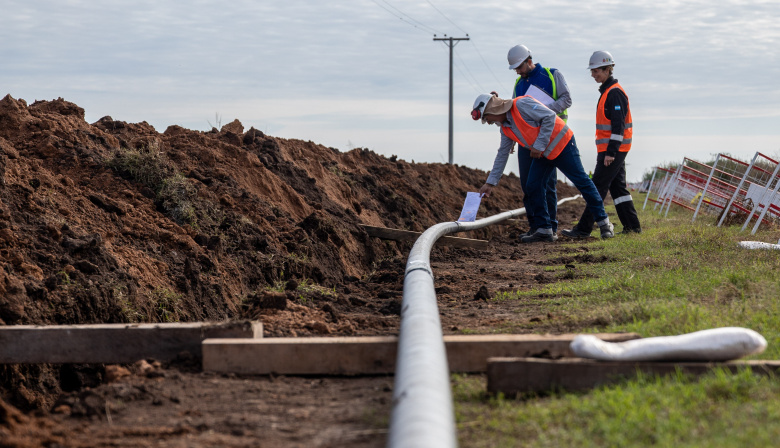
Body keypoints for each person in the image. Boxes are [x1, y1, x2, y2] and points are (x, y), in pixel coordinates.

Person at [472, 92, 614, 243]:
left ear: (493, 110)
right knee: (533, 186)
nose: (488, 123)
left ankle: (605, 224)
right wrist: (490, 182)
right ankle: (544, 229)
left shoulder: (521, 105)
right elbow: (502, 154)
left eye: (487, 118)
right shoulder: (505, 128)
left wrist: (539, 146)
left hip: (563, 145)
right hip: (544, 153)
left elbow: (549, 117)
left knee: (582, 182)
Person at [562, 51, 642, 238]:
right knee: (618, 189)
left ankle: (583, 229)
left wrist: (611, 152)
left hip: (613, 150)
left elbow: (618, 126)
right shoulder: (609, 91)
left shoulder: (614, 93)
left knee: (596, 187)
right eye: (592, 71)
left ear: (607, 69)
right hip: (613, 149)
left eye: (596, 71)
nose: (593, 75)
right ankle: (633, 227)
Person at [506, 45, 573, 239]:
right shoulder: (519, 83)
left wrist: (543, 111)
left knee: (547, 185)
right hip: (526, 141)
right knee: (528, 185)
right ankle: (535, 226)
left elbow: (566, 99)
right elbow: (513, 112)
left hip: (549, 138)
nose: (517, 72)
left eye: (519, 67)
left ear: (529, 61)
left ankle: (550, 227)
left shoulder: (552, 75)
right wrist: (511, 141)